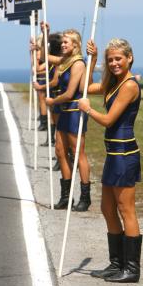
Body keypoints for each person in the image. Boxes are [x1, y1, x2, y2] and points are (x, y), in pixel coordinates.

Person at [78, 38, 142, 283]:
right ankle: (116, 263)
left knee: (127, 210)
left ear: (129, 58)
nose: (114, 63)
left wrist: (88, 110)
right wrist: (92, 60)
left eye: (118, 59)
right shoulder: (113, 83)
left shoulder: (129, 85)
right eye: (110, 59)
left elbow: (108, 120)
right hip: (112, 153)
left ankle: (132, 269)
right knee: (107, 208)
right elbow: (87, 86)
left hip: (125, 153)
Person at [44, 27, 91, 212]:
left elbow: (70, 92)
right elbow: (48, 58)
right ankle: (66, 197)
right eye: (62, 42)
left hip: (74, 111)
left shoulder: (78, 63)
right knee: (60, 151)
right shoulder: (65, 61)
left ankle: (85, 197)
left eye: (66, 42)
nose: (62, 45)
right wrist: (41, 41)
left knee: (78, 152)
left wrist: (52, 100)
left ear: (75, 44)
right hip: (64, 111)